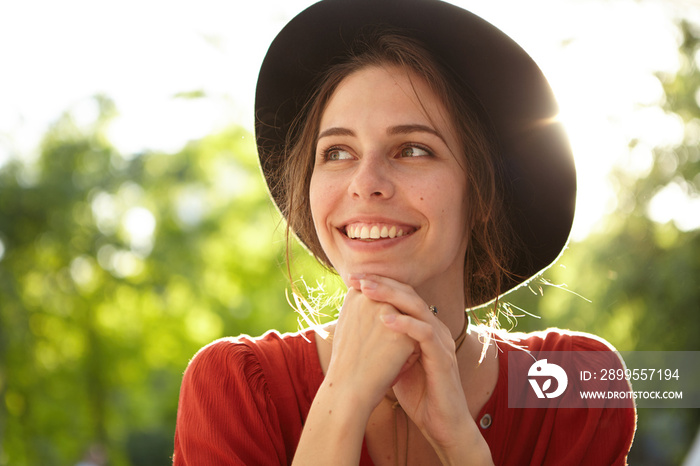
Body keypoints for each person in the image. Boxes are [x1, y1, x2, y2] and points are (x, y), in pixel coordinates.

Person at [173, 0, 637, 464]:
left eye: (412, 149)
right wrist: (343, 400)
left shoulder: (579, 382)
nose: (365, 183)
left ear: (481, 195)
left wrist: (462, 444)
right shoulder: (231, 384)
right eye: (336, 152)